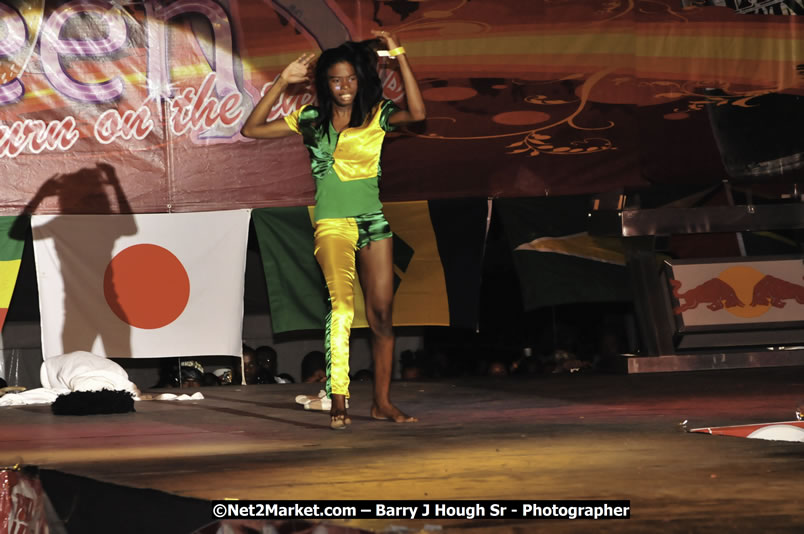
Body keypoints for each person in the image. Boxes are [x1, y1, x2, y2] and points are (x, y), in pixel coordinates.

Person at [242, 29, 425, 430]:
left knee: (382, 318)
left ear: (360, 80)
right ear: (325, 84)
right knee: (342, 308)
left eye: (351, 79)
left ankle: (381, 403)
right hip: (333, 226)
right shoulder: (311, 120)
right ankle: (338, 398)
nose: (344, 87)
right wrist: (282, 82)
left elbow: (418, 113)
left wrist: (398, 54)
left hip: (373, 224)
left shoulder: (377, 114)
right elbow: (251, 129)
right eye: (336, 80)